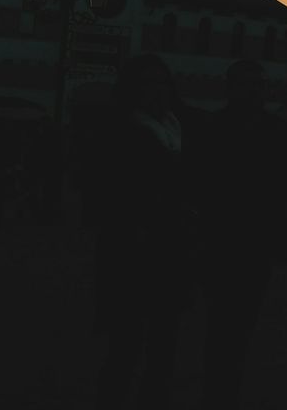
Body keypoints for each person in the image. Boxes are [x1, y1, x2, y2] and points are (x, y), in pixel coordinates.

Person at [194, 59, 287, 409]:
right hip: (222, 241)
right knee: (225, 323)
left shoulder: (275, 131)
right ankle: (219, 392)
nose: (253, 92)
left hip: (254, 243)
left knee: (237, 324)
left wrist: (280, 241)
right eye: (247, 85)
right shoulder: (216, 128)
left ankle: (223, 390)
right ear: (233, 87)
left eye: (257, 86)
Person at [94, 54, 197, 409]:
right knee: (127, 345)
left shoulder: (178, 127)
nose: (156, 89)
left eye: (161, 82)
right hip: (132, 252)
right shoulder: (120, 130)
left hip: (172, 251)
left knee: (164, 345)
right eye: (148, 82)